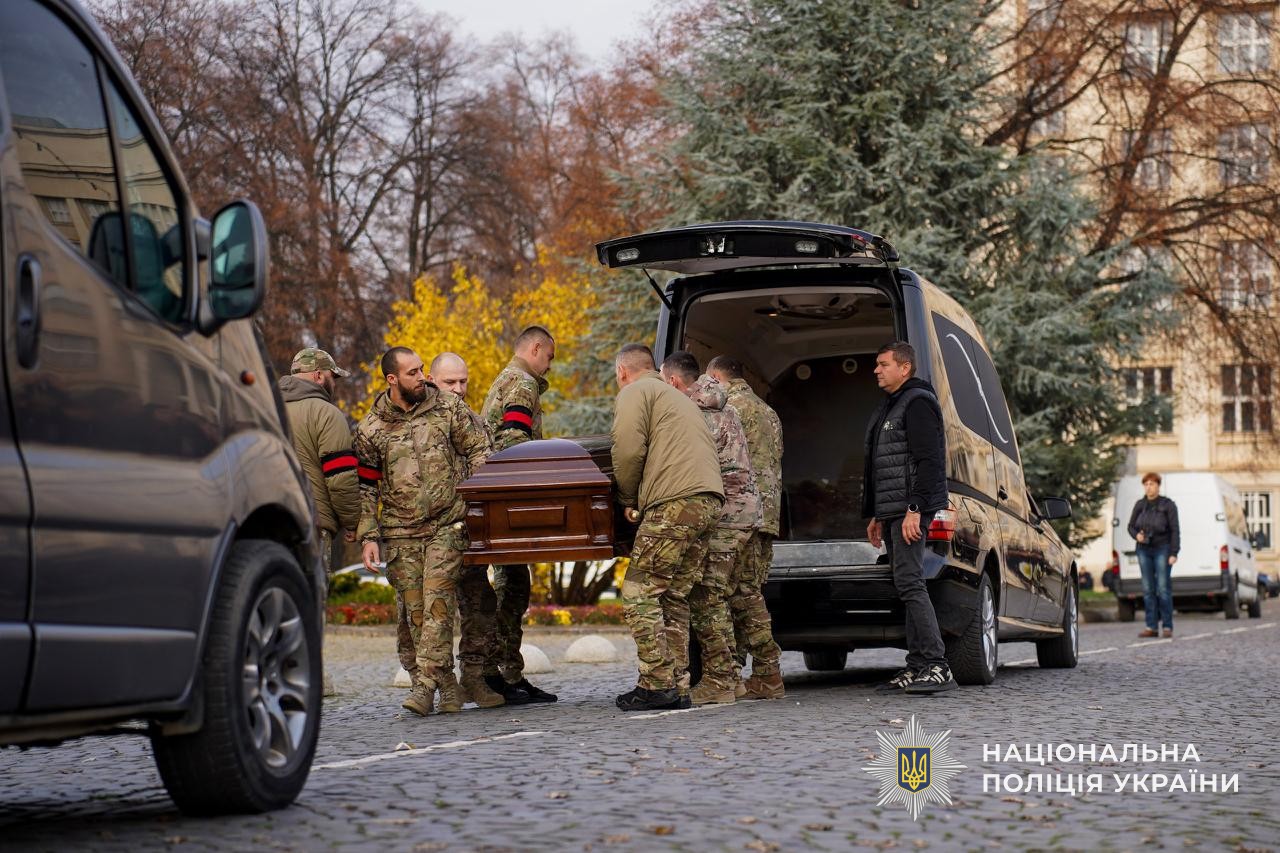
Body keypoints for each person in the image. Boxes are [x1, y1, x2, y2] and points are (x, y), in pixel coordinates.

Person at [355, 347, 492, 716]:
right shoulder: (371, 429)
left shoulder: (448, 408)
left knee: (437, 601)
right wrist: (368, 536)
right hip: (400, 531)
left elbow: (479, 449)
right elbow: (365, 487)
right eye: (412, 373)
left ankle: (424, 684)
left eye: (421, 370)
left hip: (449, 523)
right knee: (415, 613)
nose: (421, 378)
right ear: (392, 379)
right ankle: (447, 688)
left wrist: (473, 499)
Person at [612, 344, 724, 711]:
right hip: (708, 501)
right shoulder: (677, 397)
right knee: (673, 595)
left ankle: (656, 684)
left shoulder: (636, 391)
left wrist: (628, 499)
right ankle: (677, 685)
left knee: (639, 591)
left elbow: (627, 450)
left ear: (622, 372)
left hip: (676, 501)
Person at [661, 351, 761, 706]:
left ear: (673, 381)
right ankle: (732, 678)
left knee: (706, 596)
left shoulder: (693, 412)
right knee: (725, 595)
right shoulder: (722, 403)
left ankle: (720, 680)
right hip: (745, 511)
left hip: (725, 515)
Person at [863, 341, 956, 695]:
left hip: (910, 509)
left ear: (904, 368)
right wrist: (877, 514)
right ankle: (917, 665)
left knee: (911, 583)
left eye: (883, 364)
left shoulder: (917, 402)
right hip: (894, 510)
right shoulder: (894, 403)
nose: (876, 370)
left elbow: (929, 461)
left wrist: (914, 509)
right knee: (906, 583)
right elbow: (885, 465)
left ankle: (936, 664)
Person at [479, 326, 559, 704]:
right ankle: (497, 673)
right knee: (512, 590)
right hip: (508, 500)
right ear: (536, 348)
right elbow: (515, 444)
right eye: (549, 357)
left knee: (513, 586)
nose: (550, 365)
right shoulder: (523, 384)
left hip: (499, 497)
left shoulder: (505, 379)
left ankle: (508, 671)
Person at [424, 352, 504, 709]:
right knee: (432, 613)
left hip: (467, 530)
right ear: (431, 380)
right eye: (450, 382)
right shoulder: (418, 421)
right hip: (428, 533)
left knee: (481, 602)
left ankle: (472, 677)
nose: (458, 389)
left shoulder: (474, 421)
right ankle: (434, 685)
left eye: (463, 381)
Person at [706, 355, 786, 700]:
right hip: (766, 515)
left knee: (740, 594)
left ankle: (765, 671)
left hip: (740, 515)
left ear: (715, 376)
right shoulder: (769, 412)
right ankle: (740, 671)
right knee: (746, 590)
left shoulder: (729, 409)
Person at [276, 347, 359, 578]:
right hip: (312, 526)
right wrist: (352, 522)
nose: (334, 384)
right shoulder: (327, 414)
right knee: (312, 593)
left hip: (269, 522)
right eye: (333, 377)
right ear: (319, 375)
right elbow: (340, 477)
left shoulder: (266, 410)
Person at [1127, 472, 1180, 639]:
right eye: (1146, 484)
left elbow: (1175, 530)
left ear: (1158, 486)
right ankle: (1151, 626)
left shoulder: (1168, 505)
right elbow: (1130, 526)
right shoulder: (1140, 505)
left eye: (1152, 484)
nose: (1149, 487)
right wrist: (1137, 535)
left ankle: (1167, 626)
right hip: (1144, 549)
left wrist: (1174, 552)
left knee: (1163, 588)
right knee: (1148, 589)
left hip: (1162, 548)